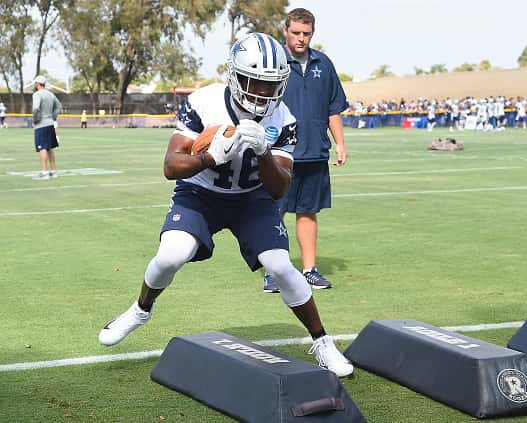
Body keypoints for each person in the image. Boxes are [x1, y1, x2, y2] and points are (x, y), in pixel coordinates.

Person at [98, 32, 353, 378]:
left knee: (279, 266)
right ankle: (141, 309)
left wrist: (264, 152)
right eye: (254, 82)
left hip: (252, 198)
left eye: (269, 85)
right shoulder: (205, 102)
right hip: (200, 193)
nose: (262, 93)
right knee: (172, 254)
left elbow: (279, 189)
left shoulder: (284, 119)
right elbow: (171, 166)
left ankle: (322, 341)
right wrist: (208, 157)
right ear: (234, 75)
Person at [263, 8, 348, 293]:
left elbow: (334, 109)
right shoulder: (273, 63)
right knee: (275, 213)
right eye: (296, 33)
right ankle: (272, 273)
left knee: (308, 212)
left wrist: (340, 144)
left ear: (313, 33)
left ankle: (309, 270)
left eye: (306, 34)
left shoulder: (324, 63)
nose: (301, 39)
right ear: (285, 31)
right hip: (280, 153)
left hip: (315, 151)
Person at [32, 75, 61, 180]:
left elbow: (35, 108)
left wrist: (35, 120)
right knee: (49, 148)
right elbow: (59, 107)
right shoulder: (50, 94)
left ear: (38, 84)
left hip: (41, 124)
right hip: (50, 123)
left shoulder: (37, 94)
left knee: (42, 148)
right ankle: (54, 171)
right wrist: (52, 116)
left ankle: (44, 172)